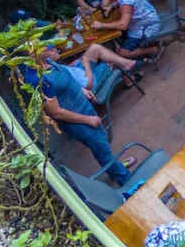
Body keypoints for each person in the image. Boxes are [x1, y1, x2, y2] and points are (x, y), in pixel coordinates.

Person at [31, 49, 138, 184]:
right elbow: (56, 112)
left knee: (102, 142)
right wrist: (88, 120)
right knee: (101, 149)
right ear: (33, 54)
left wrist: (82, 89)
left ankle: (115, 168)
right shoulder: (39, 80)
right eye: (47, 48)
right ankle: (127, 181)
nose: (54, 48)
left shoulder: (48, 62)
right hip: (77, 120)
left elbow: (66, 79)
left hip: (84, 106)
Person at [96, 0, 161, 61]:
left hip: (146, 26)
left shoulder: (126, 5)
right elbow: (120, 0)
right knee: (119, 32)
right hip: (149, 17)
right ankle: (146, 45)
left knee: (122, 53)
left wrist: (101, 25)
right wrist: (112, 6)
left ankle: (155, 49)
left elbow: (123, 25)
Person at [44, 42, 145, 92]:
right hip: (92, 81)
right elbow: (88, 85)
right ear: (43, 55)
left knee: (95, 48)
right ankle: (128, 75)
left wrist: (72, 65)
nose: (54, 48)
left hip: (80, 70)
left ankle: (127, 66)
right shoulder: (51, 72)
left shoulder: (49, 63)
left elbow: (68, 71)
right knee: (110, 61)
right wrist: (87, 65)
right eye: (50, 49)